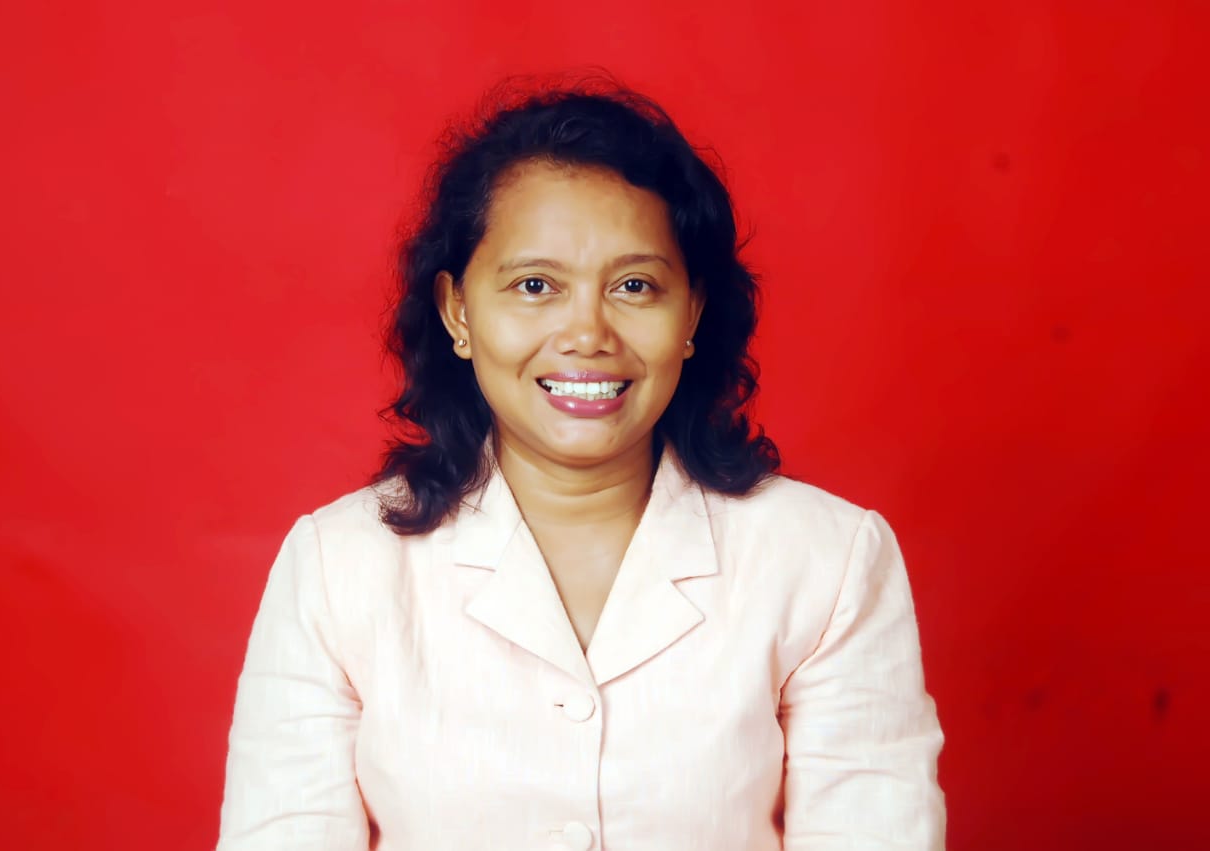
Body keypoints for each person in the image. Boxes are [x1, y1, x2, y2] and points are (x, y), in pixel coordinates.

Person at [216, 80, 945, 850]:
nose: (588, 333)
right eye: (536, 286)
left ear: (692, 311)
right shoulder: (340, 566)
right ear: (458, 310)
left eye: (635, 286)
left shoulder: (826, 560)